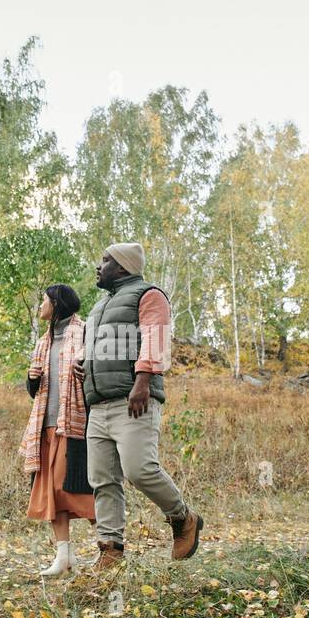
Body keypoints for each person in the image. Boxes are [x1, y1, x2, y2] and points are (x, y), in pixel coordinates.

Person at [72, 242, 203, 571]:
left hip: (133, 400)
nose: (98, 266)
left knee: (139, 469)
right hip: (98, 406)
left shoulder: (148, 294)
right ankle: (110, 550)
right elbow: (96, 346)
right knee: (102, 479)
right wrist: (82, 363)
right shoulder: (99, 306)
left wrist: (143, 381)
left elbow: (156, 338)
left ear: (123, 267)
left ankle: (183, 518)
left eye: (105, 261)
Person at [19, 284, 95, 576]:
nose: (40, 305)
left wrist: (86, 370)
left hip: (74, 424)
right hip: (44, 426)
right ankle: (64, 557)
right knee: (50, 491)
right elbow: (34, 390)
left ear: (57, 303)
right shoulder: (43, 341)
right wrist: (31, 377)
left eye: (44, 300)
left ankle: (111, 545)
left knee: (77, 488)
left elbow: (95, 372)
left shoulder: (86, 332)